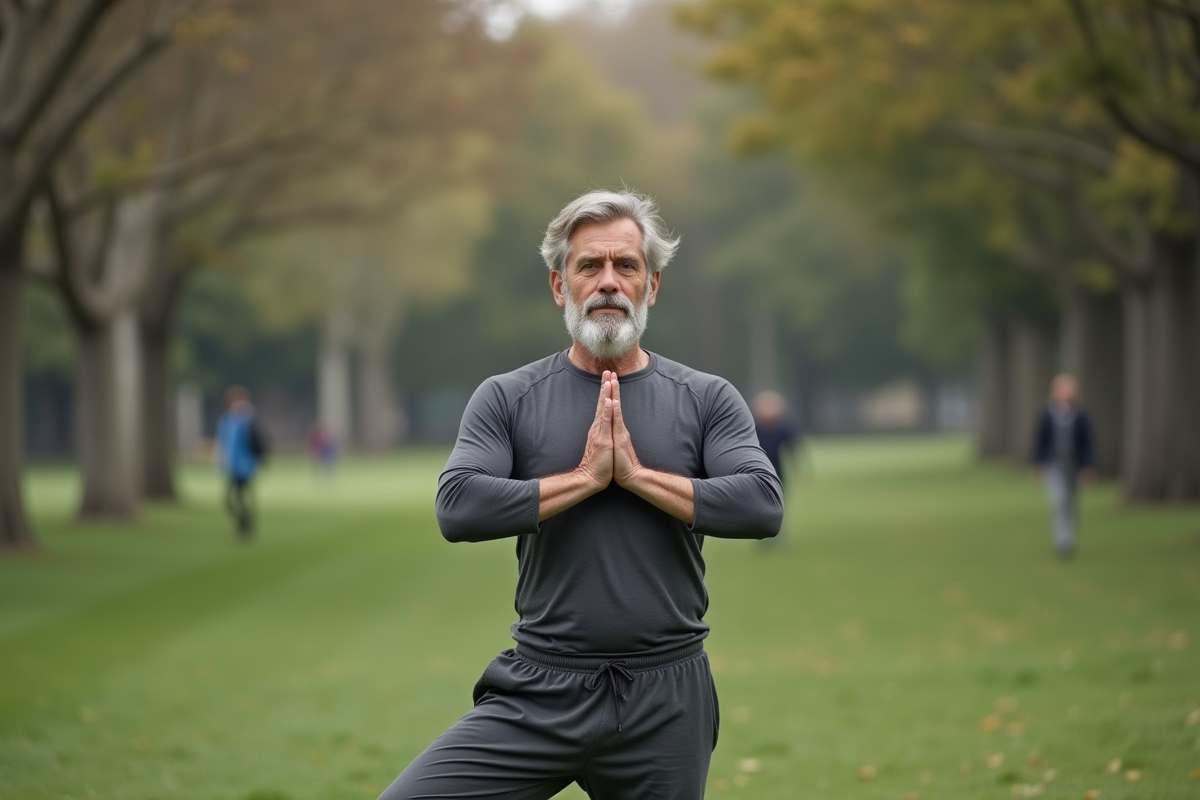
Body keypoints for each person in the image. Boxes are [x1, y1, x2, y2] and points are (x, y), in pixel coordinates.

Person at [379, 189, 783, 800]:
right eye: (589, 265)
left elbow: (761, 504)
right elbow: (458, 507)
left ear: (652, 286)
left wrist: (636, 476)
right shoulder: (508, 397)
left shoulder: (706, 398)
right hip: (540, 689)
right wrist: (586, 479)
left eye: (627, 265)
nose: (608, 282)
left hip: (666, 700)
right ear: (558, 284)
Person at [1032, 373, 1096, 560]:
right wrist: (1038, 464)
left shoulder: (1081, 415)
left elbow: (1087, 443)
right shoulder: (1047, 414)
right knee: (1058, 501)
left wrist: (1088, 466)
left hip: (1073, 465)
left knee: (1070, 502)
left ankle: (1069, 537)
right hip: (1053, 464)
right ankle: (1062, 541)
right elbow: (1040, 441)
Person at [215, 385, 265, 540]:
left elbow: (258, 443)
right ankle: (244, 523)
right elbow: (223, 444)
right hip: (232, 466)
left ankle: (245, 527)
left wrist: (258, 461)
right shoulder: (227, 420)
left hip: (246, 466)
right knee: (230, 501)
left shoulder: (249, 420)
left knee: (242, 497)